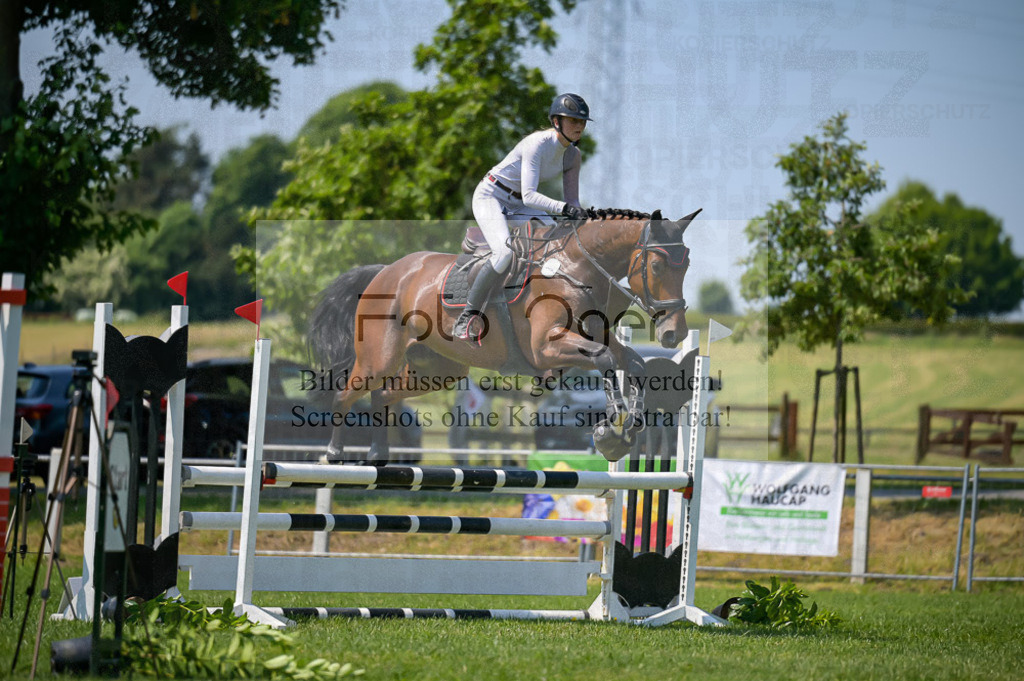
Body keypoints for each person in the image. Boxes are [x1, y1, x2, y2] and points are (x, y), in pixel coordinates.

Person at [452, 92, 592, 342]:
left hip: (517, 206)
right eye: (573, 121)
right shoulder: (537, 144)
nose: (579, 127)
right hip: (491, 197)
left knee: (556, 243)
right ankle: (468, 315)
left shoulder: (573, 156)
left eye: (582, 122)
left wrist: (581, 217)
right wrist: (563, 209)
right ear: (556, 122)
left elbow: (572, 202)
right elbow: (529, 196)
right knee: (504, 253)